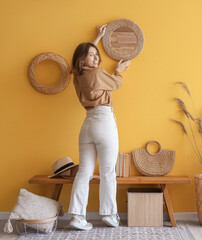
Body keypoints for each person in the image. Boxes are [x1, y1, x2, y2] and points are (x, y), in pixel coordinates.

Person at [68, 24, 131, 231]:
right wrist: (118, 71)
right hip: (104, 122)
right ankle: (110, 215)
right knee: (107, 172)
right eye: (91, 55)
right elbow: (117, 84)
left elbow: (83, 59)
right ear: (82, 59)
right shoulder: (98, 73)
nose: (96, 58)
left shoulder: (77, 76)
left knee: (84, 172)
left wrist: (96, 39)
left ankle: (77, 217)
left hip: (87, 125)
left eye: (96, 55)